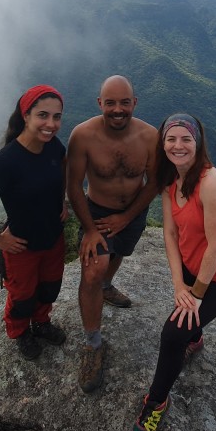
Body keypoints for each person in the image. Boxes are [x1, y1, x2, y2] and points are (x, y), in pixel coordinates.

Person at [130, 113, 216, 431]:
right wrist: (179, 285)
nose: (178, 146)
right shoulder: (170, 180)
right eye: (171, 139)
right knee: (186, 322)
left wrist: (194, 295)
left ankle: (156, 402)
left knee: (172, 334)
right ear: (162, 143)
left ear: (198, 143)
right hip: (193, 270)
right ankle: (196, 337)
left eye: (186, 139)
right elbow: (168, 231)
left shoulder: (213, 185)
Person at [0, 85, 69, 361]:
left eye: (56, 117)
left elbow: (61, 173)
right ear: (26, 116)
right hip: (22, 247)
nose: (51, 124)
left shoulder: (54, 147)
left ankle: (41, 322)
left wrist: (63, 202)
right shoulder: (6, 162)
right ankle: (20, 332)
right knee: (22, 297)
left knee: (49, 287)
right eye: (43, 115)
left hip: (53, 239)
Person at [66, 75, 159, 393]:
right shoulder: (83, 136)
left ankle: (107, 287)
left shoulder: (150, 137)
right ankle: (92, 345)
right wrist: (91, 229)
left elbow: (155, 182)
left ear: (134, 102)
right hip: (97, 213)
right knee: (92, 271)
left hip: (132, 212)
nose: (117, 110)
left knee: (121, 252)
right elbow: (74, 185)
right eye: (110, 103)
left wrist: (127, 217)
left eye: (124, 102)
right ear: (99, 104)